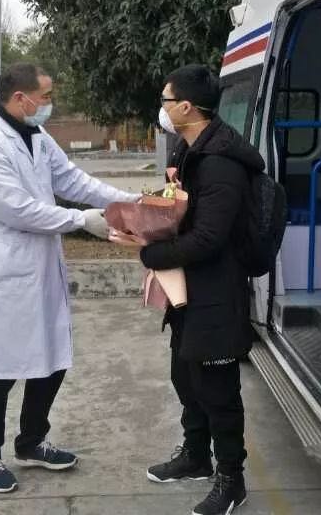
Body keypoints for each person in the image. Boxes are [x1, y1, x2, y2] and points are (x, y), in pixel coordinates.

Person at [0, 62, 139, 494]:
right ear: (21, 98)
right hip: (2, 275)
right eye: (47, 96)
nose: (50, 104)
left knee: (51, 358)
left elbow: (73, 180)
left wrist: (131, 202)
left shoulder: (34, 133)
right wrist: (82, 220)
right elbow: (17, 210)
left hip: (40, 268)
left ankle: (32, 441)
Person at [111, 64, 264, 515]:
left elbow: (208, 238)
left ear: (185, 107)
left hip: (217, 290)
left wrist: (148, 251)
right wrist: (149, 217)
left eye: (165, 100)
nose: (160, 108)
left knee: (218, 390)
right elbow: (181, 211)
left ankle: (231, 479)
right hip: (188, 289)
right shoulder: (189, 148)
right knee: (185, 373)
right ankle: (196, 455)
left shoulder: (221, 163)